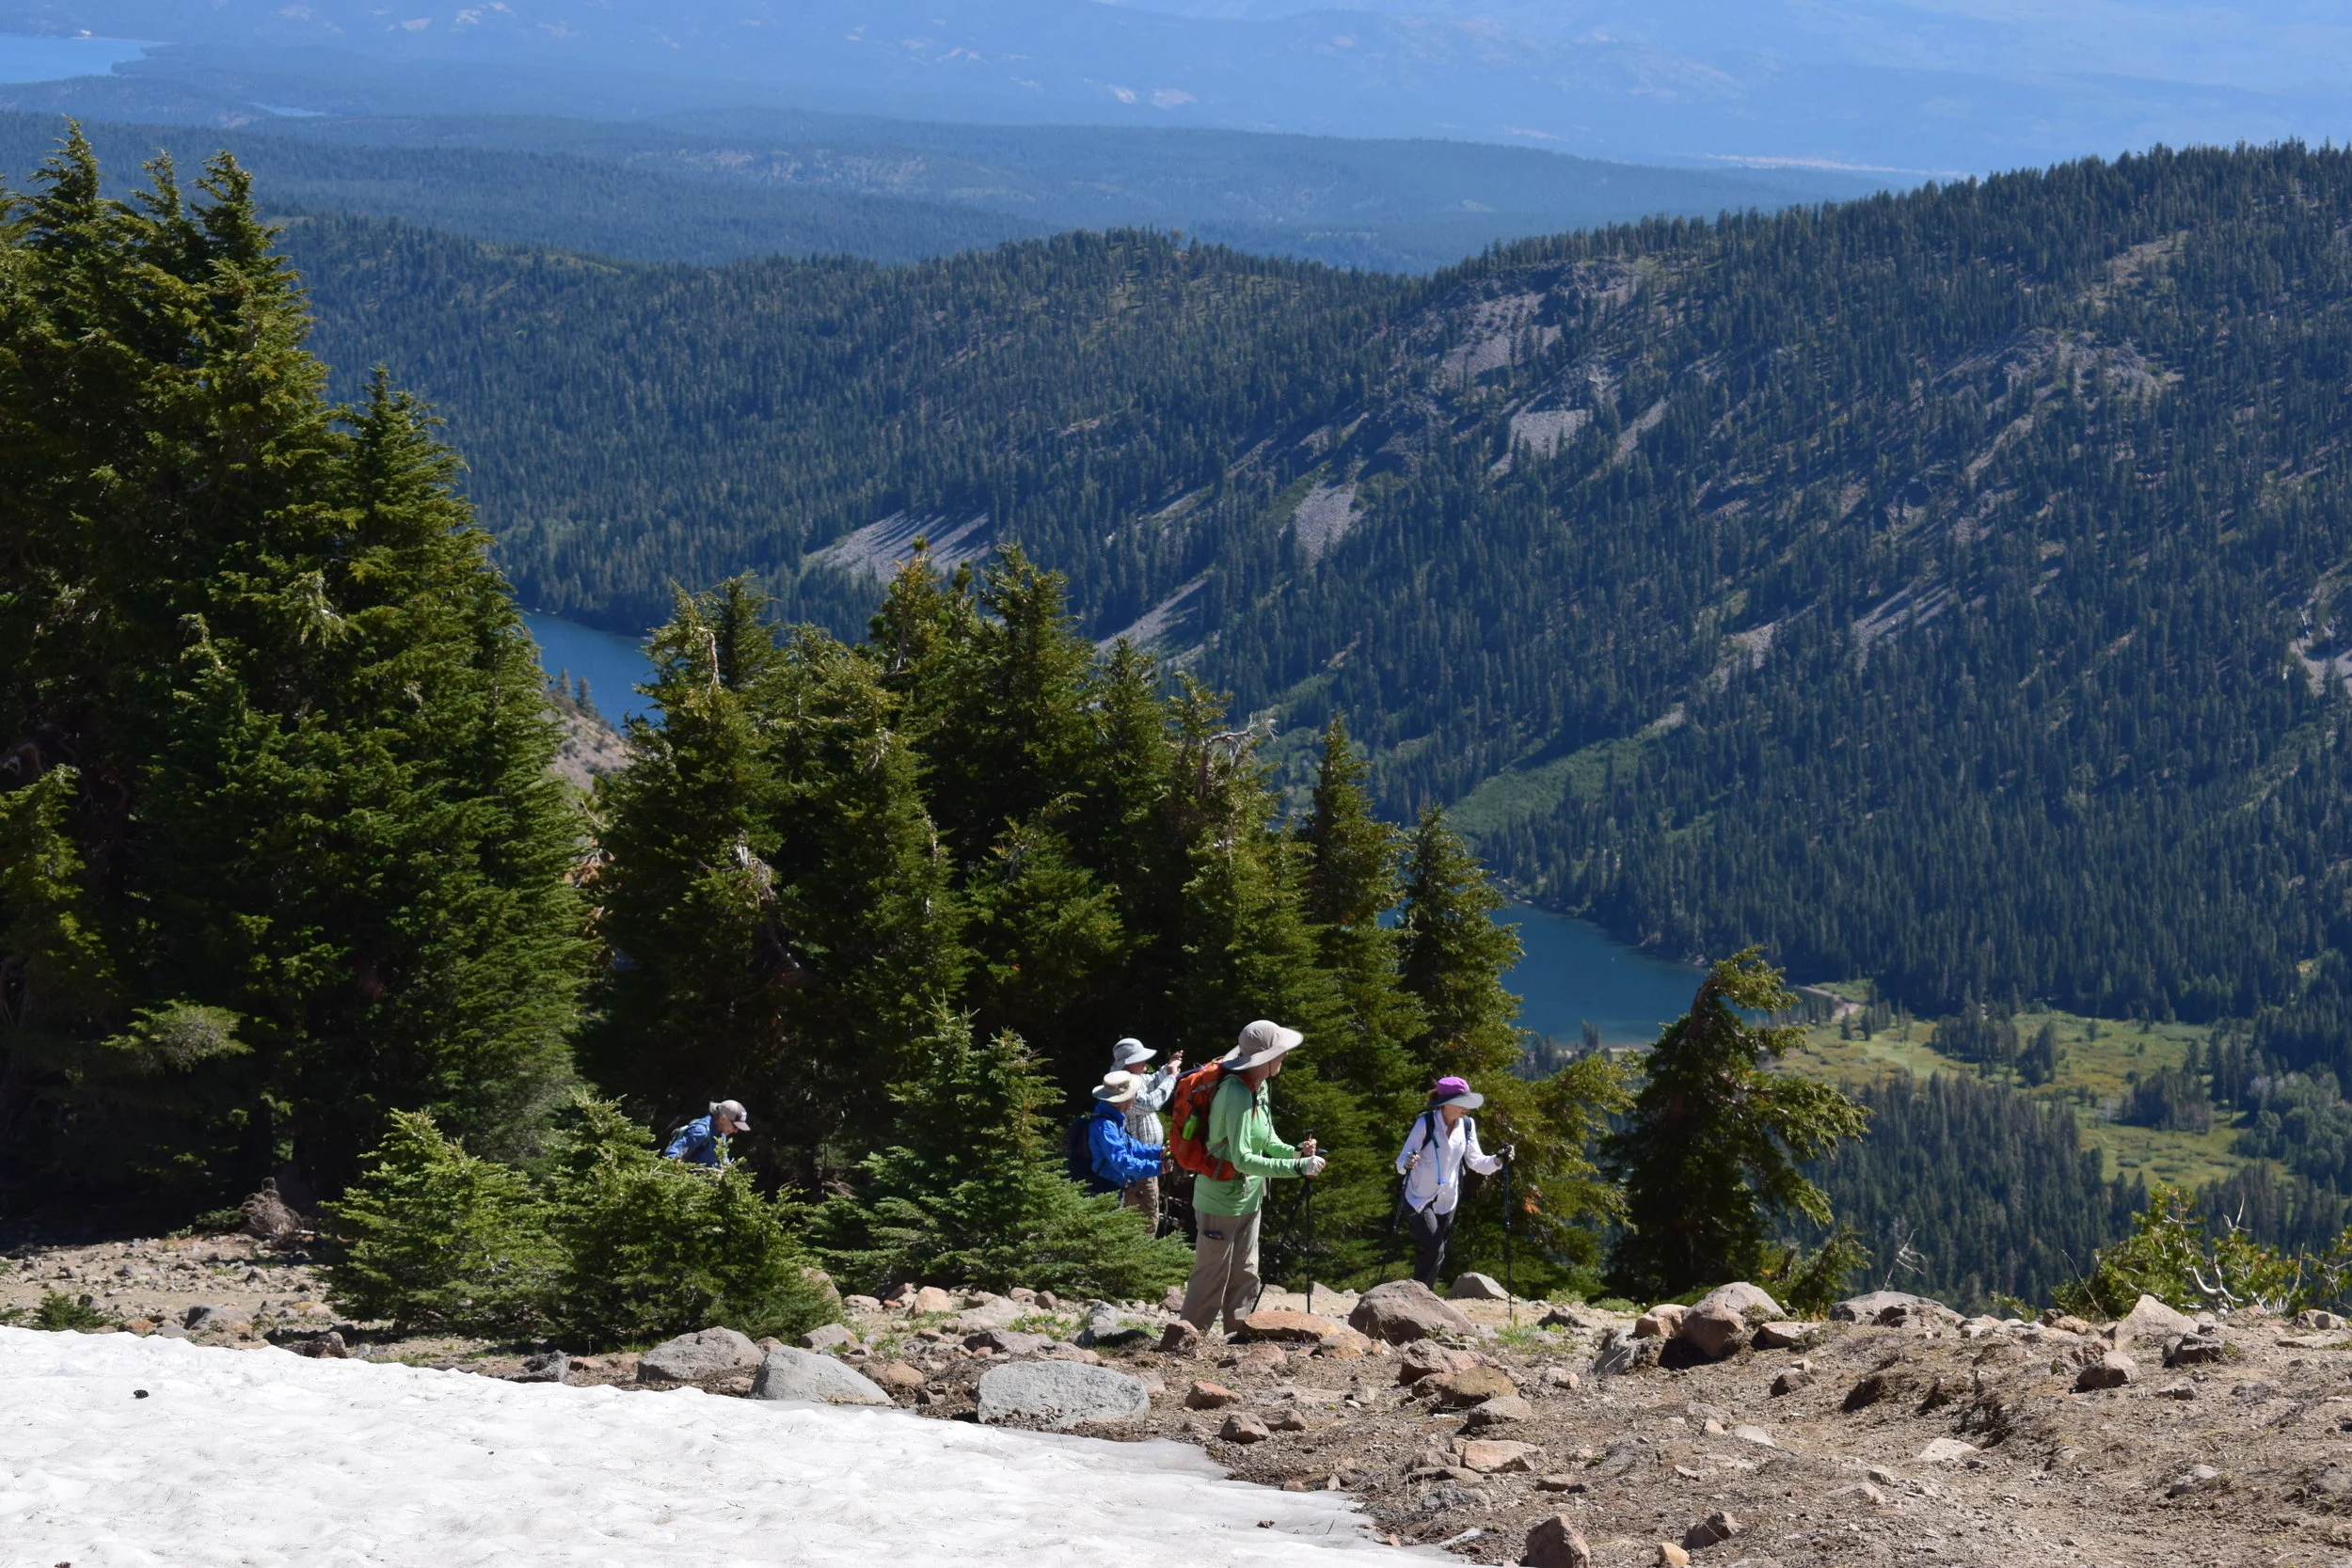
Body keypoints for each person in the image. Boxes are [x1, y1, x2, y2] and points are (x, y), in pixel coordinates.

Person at [1177, 1019, 1325, 1337]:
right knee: (1211, 1276)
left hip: (1250, 1196)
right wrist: (1298, 1168)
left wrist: (1296, 1153)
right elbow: (1242, 1158)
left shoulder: (1260, 1086)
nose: (1284, 1056)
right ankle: (1185, 1341)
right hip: (1220, 1199)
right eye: (1280, 1052)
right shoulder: (1235, 1093)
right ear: (1264, 1059)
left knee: (1246, 1272)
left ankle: (1239, 1339)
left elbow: (1268, 1140)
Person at [1395, 1076, 1511, 1288]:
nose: (1466, 1107)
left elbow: (1476, 1162)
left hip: (1448, 1199)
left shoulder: (1467, 1125)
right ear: (1446, 1103)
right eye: (1461, 1102)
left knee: (1436, 1253)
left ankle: (1422, 1295)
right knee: (1434, 1248)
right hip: (1418, 1197)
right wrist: (1408, 1162)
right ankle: (1418, 1297)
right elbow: (1401, 1163)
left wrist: (1498, 1159)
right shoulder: (1425, 1123)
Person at [1110, 1037, 1184, 1230]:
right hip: (1137, 1168)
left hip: (1146, 1161)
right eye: (1140, 1059)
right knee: (1146, 1220)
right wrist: (1171, 1077)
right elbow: (1151, 1103)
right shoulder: (1121, 1087)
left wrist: (1169, 1066)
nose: (1145, 1062)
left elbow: (1152, 1080)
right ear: (1129, 1063)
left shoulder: (1133, 1077)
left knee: (1147, 1215)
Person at [1086, 1071, 1168, 1203]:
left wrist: (1159, 1152)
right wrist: (1158, 1168)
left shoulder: (1112, 1118)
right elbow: (1121, 1161)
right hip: (1103, 1188)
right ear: (1123, 1100)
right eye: (1133, 1094)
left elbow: (1131, 1145)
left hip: (1111, 1185)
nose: (1135, 1097)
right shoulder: (1105, 1125)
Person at [663, 1099, 749, 1166]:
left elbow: (724, 1161)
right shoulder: (701, 1131)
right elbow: (672, 1154)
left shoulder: (722, 1135)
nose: (736, 1131)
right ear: (723, 1119)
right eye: (735, 1126)